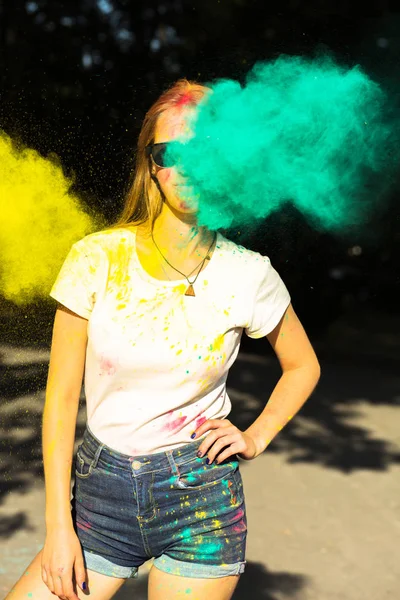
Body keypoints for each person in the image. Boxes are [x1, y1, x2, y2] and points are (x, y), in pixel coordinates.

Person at [6, 79, 320, 600]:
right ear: (152, 166)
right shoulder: (97, 259)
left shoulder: (249, 273)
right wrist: (59, 527)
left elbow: (303, 365)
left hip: (201, 499)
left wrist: (256, 436)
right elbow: (60, 402)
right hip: (100, 496)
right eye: (170, 152)